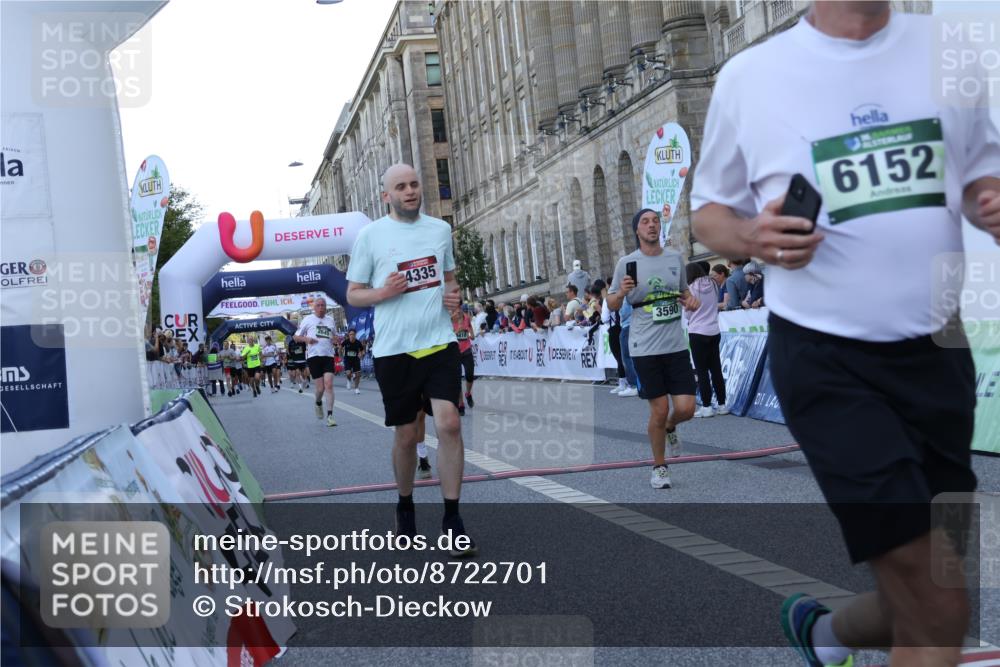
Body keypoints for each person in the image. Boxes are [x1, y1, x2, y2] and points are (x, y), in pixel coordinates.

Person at [690, 2, 1000, 665]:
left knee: (926, 586)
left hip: (939, 354)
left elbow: (978, 171)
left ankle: (824, 635)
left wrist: (988, 199)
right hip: (828, 360)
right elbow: (709, 212)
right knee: (940, 603)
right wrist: (752, 236)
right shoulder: (752, 75)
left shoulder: (948, 49)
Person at [346, 162, 476, 557]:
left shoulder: (439, 230)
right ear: (386, 195)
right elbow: (353, 294)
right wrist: (383, 293)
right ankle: (405, 506)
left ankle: (452, 519)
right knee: (406, 435)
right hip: (395, 350)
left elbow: (450, 279)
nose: (410, 191)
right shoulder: (370, 236)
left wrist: (454, 298)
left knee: (449, 424)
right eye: (400, 187)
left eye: (414, 184)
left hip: (439, 342)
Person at [607, 208, 699, 489]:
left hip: (675, 345)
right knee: (658, 410)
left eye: (655, 221)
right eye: (645, 222)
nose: (651, 225)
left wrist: (691, 300)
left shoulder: (674, 258)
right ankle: (659, 467)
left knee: (686, 408)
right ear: (637, 230)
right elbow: (611, 304)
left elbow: (684, 291)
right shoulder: (627, 263)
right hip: (644, 347)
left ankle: (671, 426)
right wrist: (621, 292)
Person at [685, 262, 727, 417]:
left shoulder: (690, 289)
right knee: (716, 369)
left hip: (697, 331)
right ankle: (722, 404)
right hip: (714, 330)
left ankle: (707, 406)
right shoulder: (714, 284)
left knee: (702, 371)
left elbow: (688, 314)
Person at [293, 299, 338, 426]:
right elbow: (296, 337)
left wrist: (335, 339)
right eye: (318, 305)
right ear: (314, 308)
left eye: (323, 305)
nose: (321, 307)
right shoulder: (307, 320)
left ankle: (330, 416)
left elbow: (335, 336)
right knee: (320, 388)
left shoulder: (330, 320)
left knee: (328, 385)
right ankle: (318, 402)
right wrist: (306, 339)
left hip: (328, 355)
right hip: (314, 357)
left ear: (326, 307)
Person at [451, 304, 476, 416]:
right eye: (456, 311)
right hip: (454, 352)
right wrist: (457, 331)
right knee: (456, 379)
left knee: (470, 375)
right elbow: (447, 336)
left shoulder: (466, 317)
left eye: (460, 310)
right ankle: (460, 404)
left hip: (466, 350)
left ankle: (468, 393)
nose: (458, 312)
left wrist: (472, 334)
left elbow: (470, 328)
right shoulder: (449, 321)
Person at [342, 328, 364, 394]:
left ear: (355, 335)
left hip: (356, 360)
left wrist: (361, 354)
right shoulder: (346, 341)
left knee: (358, 375)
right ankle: (348, 381)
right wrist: (340, 354)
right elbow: (340, 347)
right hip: (347, 359)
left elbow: (362, 350)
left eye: (353, 334)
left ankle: (356, 388)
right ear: (348, 335)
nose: (352, 336)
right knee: (348, 373)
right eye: (350, 334)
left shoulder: (358, 342)